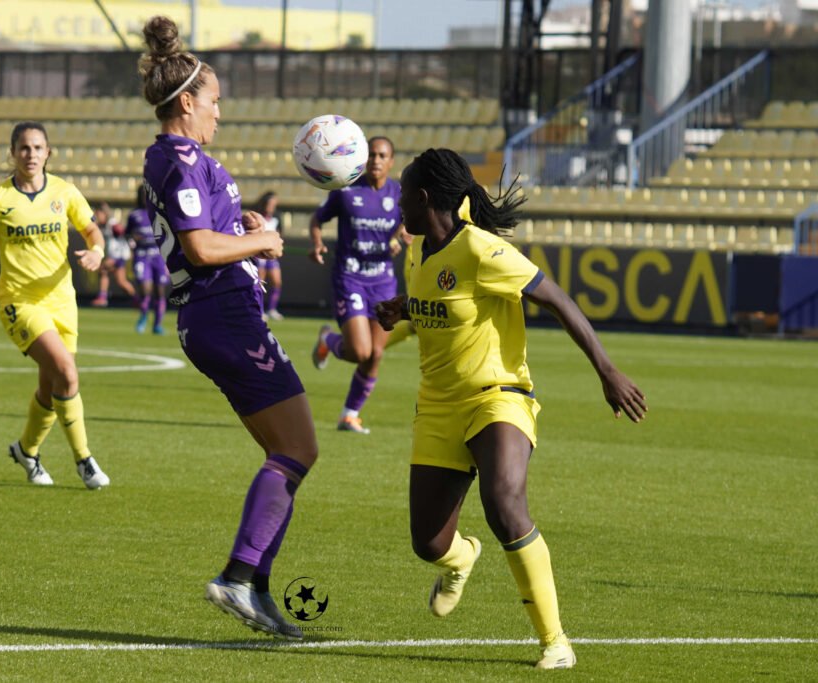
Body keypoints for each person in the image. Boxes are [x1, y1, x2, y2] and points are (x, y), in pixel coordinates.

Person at [375, 149, 648, 670]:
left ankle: (555, 642)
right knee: (428, 543)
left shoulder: (482, 249)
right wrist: (404, 309)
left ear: (424, 198)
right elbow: (440, 302)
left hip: (499, 395)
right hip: (437, 405)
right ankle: (462, 558)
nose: (398, 202)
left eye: (403, 193)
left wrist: (607, 371)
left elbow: (558, 299)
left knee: (504, 502)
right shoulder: (416, 251)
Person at [139, 15, 317, 640]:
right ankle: (240, 578)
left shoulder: (188, 159)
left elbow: (210, 234)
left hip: (217, 315)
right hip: (223, 312)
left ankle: (256, 588)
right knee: (299, 449)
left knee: (287, 453)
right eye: (214, 102)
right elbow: (197, 249)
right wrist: (260, 241)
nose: (220, 112)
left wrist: (240, 228)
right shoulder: (178, 158)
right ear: (186, 102)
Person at [0, 121, 111, 490]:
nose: (31, 155)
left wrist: (97, 252)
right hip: (20, 302)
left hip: (62, 300)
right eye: (24, 148)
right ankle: (84, 460)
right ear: (13, 153)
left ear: (48, 153)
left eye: (38, 148)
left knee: (51, 386)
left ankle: (27, 450)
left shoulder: (64, 192)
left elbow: (92, 231)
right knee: (68, 374)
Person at [309, 136, 405, 434]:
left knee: (376, 354)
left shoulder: (400, 194)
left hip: (383, 281)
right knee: (361, 352)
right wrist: (317, 243)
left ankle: (349, 415)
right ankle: (328, 340)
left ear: (391, 161)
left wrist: (403, 234)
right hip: (350, 278)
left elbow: (412, 223)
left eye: (382, 155)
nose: (376, 160)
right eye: (372, 155)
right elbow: (317, 219)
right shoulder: (346, 190)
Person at [126, 185, 169, 334]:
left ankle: (157, 324)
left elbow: (168, 235)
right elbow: (127, 235)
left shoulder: (159, 213)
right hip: (142, 255)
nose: (145, 198)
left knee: (160, 290)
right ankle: (143, 317)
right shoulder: (134, 215)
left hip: (158, 255)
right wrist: (132, 239)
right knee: (145, 290)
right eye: (142, 195)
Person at [91, 202, 136, 307]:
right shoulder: (104, 225)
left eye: (98, 214)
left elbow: (127, 235)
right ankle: (137, 300)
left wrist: (133, 248)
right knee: (121, 282)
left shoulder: (113, 225)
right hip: (116, 256)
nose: (97, 217)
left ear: (104, 213)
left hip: (118, 255)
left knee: (103, 269)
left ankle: (102, 298)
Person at [254, 191, 284, 320]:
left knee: (277, 282)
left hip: (271, 255)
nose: (272, 206)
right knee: (260, 282)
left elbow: (280, 235)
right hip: (260, 253)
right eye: (270, 203)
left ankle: (272, 309)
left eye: (274, 204)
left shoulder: (277, 217)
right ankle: (259, 310)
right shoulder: (257, 216)